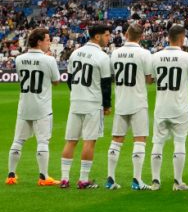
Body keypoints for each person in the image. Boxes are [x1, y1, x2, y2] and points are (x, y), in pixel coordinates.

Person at [7, 28, 62, 186]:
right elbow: (56, 81)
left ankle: (10, 175)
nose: (49, 42)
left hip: (24, 105)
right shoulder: (48, 60)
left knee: (18, 141)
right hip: (42, 107)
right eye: (47, 39)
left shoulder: (19, 59)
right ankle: (43, 177)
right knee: (43, 142)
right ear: (39, 41)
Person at [60, 24, 112, 190]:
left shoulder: (75, 53)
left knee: (71, 141)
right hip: (92, 103)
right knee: (89, 142)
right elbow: (105, 85)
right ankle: (83, 179)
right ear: (97, 37)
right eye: (106, 35)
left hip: (76, 101)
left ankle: (64, 179)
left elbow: (69, 79)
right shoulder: (102, 57)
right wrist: (107, 105)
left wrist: (77, 93)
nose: (108, 38)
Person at [149, 25, 188, 191]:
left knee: (158, 142)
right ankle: (178, 182)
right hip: (179, 106)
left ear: (167, 37)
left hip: (161, 106)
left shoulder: (155, 56)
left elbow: (151, 78)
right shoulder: (187, 56)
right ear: (182, 38)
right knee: (179, 142)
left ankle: (155, 181)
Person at [109, 23, 153, 191]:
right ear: (141, 37)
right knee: (140, 139)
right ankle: (137, 180)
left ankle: (110, 179)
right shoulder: (144, 53)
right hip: (138, 101)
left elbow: (113, 75)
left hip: (121, 101)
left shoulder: (115, 53)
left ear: (126, 34)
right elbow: (149, 79)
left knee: (116, 140)